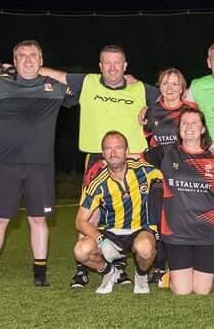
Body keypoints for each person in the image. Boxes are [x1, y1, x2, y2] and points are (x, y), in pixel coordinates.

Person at [36, 44, 160, 287]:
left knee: (135, 217)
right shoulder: (88, 83)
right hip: (97, 157)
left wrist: (151, 110)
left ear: (126, 66)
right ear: (100, 66)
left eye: (118, 63)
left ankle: (130, 267)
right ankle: (83, 268)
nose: (112, 67)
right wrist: (23, 67)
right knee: (89, 217)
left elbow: (174, 96)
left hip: (134, 159)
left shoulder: (140, 89)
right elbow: (55, 75)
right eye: (107, 62)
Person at [0, 40, 77, 289]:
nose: (28, 60)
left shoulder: (55, 87)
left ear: (41, 59)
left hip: (41, 167)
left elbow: (80, 89)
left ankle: (40, 274)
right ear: (14, 61)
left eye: (33, 55)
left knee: (38, 220)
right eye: (22, 56)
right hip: (5, 165)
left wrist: (45, 71)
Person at [144, 109, 214, 295]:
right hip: (176, 232)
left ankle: (179, 274)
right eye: (185, 123)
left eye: (194, 123)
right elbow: (137, 159)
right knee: (183, 292)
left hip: (208, 232)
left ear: (202, 129)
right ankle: (170, 277)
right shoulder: (166, 153)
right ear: (179, 129)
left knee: (202, 291)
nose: (189, 127)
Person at [73, 131, 162, 294]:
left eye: (118, 148)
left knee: (146, 249)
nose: (113, 153)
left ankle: (141, 275)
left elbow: (171, 179)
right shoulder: (97, 183)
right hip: (110, 233)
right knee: (81, 251)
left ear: (127, 152)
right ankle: (109, 272)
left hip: (139, 230)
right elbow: (80, 221)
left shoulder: (144, 170)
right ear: (103, 154)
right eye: (108, 149)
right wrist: (101, 241)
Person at [142, 68, 198, 284]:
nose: (170, 88)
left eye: (175, 84)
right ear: (160, 86)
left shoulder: (191, 110)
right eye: (165, 83)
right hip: (159, 174)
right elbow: (147, 142)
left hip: (185, 174)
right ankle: (158, 267)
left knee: (185, 221)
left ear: (182, 88)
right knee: (160, 221)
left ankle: (191, 264)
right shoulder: (151, 112)